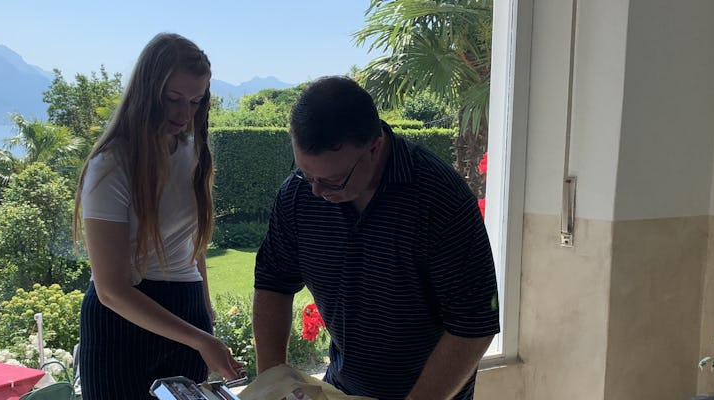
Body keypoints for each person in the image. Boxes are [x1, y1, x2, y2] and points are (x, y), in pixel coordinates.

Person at [253, 76, 499, 400]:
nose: (317, 191)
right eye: (305, 173)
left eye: (334, 180)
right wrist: (273, 386)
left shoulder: (439, 199)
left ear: (375, 146)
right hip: (342, 389)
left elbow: (473, 325)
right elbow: (274, 283)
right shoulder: (298, 195)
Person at [73, 33, 241, 399]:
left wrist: (206, 316)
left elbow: (192, 248)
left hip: (187, 310)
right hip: (121, 326)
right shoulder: (111, 166)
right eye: (173, 99)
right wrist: (200, 338)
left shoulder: (194, 153)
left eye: (196, 101)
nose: (185, 114)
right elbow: (112, 290)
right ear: (147, 92)